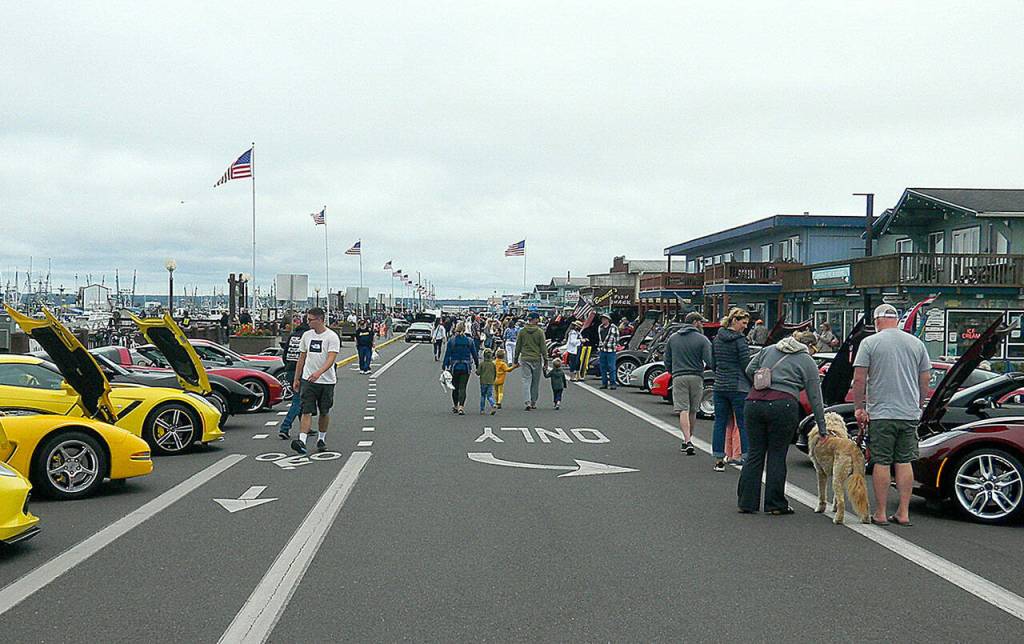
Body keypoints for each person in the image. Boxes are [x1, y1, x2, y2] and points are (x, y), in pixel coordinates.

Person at [853, 303, 931, 527]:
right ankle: (903, 513)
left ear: (877, 321)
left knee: (882, 461)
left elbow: (859, 378)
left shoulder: (870, 343)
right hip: (908, 413)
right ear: (896, 320)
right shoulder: (916, 343)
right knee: (904, 461)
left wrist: (859, 407)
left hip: (881, 413)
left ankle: (880, 512)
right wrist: (918, 404)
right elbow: (925, 378)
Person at [738, 331, 828, 515]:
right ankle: (775, 504)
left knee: (755, 453)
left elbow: (749, 369)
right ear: (809, 346)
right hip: (783, 405)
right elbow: (815, 397)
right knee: (777, 454)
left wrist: (762, 383)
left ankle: (746, 502)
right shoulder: (806, 360)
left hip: (754, 402)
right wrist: (822, 427)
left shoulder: (769, 349)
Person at [290, 307, 340, 455]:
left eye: (311, 320)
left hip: (326, 381)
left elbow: (331, 358)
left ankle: (321, 439)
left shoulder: (331, 337)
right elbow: (302, 358)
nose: (308, 322)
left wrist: (319, 372)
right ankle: (302, 441)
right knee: (306, 410)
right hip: (308, 380)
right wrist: (297, 378)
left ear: (320, 320)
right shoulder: (306, 336)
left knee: (324, 411)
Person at [662, 311, 713, 456]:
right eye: (701, 322)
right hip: (696, 376)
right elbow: (710, 360)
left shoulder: (673, 338)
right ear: (695, 322)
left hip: (679, 376)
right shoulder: (702, 339)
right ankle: (689, 438)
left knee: (683, 409)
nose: (702, 324)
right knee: (693, 409)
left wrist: (672, 370)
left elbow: (667, 359)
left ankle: (687, 440)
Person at [712, 307, 752, 470]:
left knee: (720, 423)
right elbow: (746, 365)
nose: (745, 327)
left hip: (720, 385)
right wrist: (754, 382)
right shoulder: (740, 340)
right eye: (744, 323)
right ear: (735, 320)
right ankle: (745, 457)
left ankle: (718, 459)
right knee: (743, 423)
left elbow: (713, 363)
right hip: (738, 386)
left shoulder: (717, 339)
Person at [278, 315, 309, 440]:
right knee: (298, 401)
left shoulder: (293, 335)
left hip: (290, 368)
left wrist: (287, 365)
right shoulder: (308, 336)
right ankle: (285, 427)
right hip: (301, 371)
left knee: (301, 399)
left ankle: (305, 426)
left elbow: (285, 353)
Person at [513, 312, 548, 410]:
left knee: (526, 380)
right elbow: (543, 347)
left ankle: (527, 401)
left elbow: (518, 346)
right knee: (535, 382)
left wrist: (515, 359)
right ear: (535, 319)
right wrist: (546, 360)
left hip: (525, 358)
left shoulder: (522, 331)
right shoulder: (540, 332)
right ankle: (533, 402)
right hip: (536, 358)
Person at [442, 321, 479, 415]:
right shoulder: (469, 341)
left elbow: (447, 354)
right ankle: (461, 407)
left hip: (455, 367)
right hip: (466, 367)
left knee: (455, 387)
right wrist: (477, 365)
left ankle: (455, 405)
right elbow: (474, 354)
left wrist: (444, 365)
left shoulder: (452, 341)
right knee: (463, 387)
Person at [596, 313, 619, 389]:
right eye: (602, 319)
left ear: (608, 320)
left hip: (611, 350)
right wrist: (600, 346)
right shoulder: (600, 327)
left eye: (605, 319)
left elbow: (617, 338)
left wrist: (615, 345)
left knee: (611, 367)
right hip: (602, 350)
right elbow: (600, 338)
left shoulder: (613, 327)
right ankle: (604, 383)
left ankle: (613, 383)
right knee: (602, 367)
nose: (603, 320)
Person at [478, 349, 497, 415]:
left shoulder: (482, 364)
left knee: (483, 395)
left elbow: (478, 372)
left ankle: (482, 410)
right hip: (490, 381)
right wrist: (493, 379)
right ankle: (493, 404)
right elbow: (495, 373)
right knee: (489, 396)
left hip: (483, 381)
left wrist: (477, 372)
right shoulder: (493, 364)